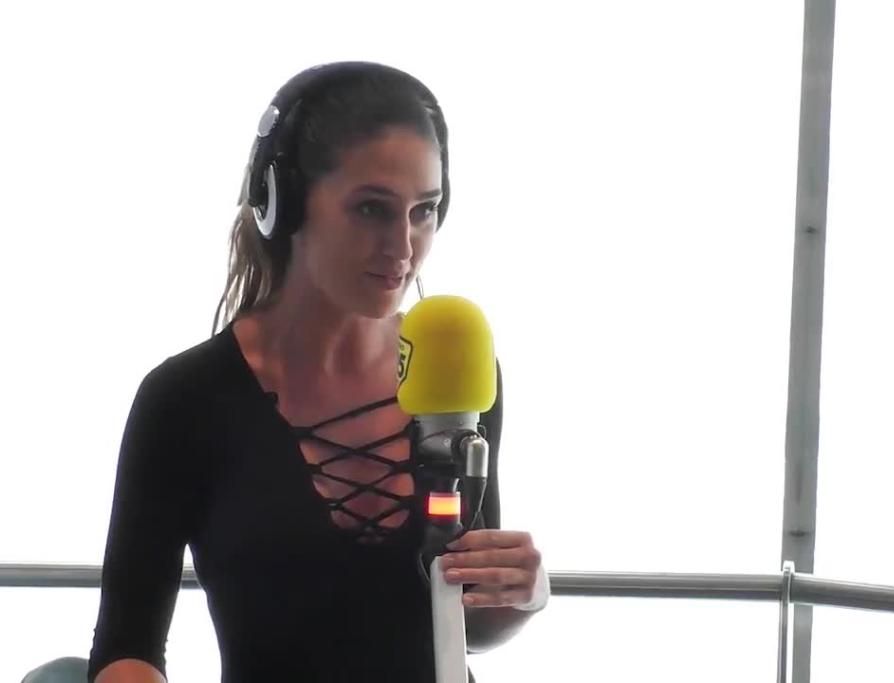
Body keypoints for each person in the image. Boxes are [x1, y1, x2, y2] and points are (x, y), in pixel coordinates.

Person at [87, 61, 548, 683]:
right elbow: (127, 645)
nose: (403, 247)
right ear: (283, 203)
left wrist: (521, 594)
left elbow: (465, 619)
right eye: (371, 209)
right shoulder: (187, 400)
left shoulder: (459, 369)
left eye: (425, 210)